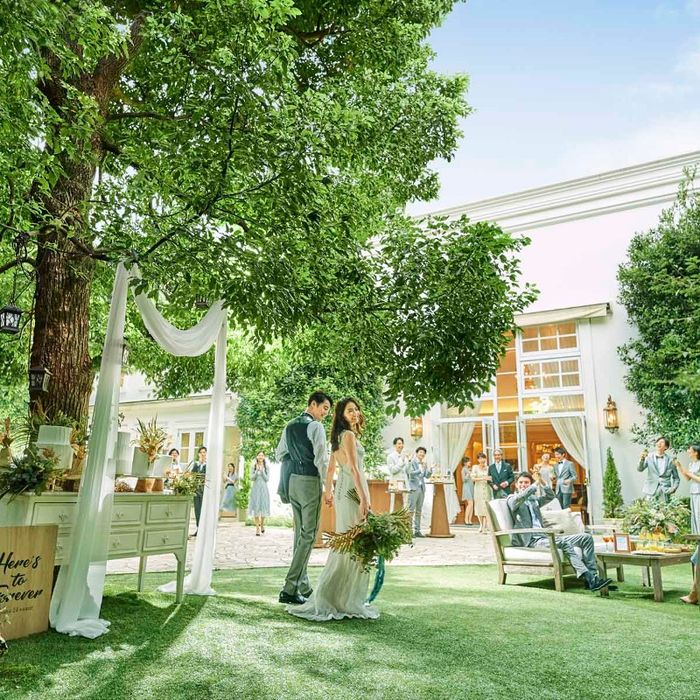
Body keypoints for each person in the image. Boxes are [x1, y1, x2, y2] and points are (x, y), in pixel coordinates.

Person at [288, 397, 379, 621]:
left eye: (356, 410)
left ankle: (339, 596)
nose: (355, 413)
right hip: (352, 491)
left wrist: (328, 492)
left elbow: (331, 470)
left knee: (346, 542)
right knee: (352, 543)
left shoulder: (337, 437)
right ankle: (341, 598)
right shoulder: (348, 436)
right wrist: (364, 499)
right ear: (342, 415)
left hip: (342, 491)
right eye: (350, 411)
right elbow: (354, 469)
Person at [507, 471, 612, 593]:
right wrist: (535, 484)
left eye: (526, 482)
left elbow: (551, 496)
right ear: (516, 485)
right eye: (521, 482)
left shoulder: (534, 500)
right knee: (565, 543)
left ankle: (592, 579)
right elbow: (521, 497)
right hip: (532, 540)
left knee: (586, 537)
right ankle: (589, 578)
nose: (523, 485)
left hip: (545, 537)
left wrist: (542, 482)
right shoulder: (512, 499)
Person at [276, 391, 333, 605]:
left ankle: (304, 585)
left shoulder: (289, 426)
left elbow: (279, 453)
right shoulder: (316, 427)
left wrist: (296, 458)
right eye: (324, 408)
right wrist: (328, 486)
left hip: (293, 482)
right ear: (313, 404)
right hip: (309, 482)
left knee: (299, 535)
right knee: (308, 535)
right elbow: (321, 459)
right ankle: (289, 588)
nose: (325, 413)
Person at [676, 443, 700, 604]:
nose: (688, 451)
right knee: (695, 519)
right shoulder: (692, 464)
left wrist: (689, 473)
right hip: (693, 492)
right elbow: (687, 478)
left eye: (690, 450)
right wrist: (680, 468)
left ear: (696, 452)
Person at [637, 437, 680, 502]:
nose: (659, 443)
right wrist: (642, 459)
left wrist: (673, 488)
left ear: (666, 447)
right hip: (650, 489)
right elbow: (640, 469)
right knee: (649, 508)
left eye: (662, 442)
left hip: (665, 490)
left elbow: (676, 478)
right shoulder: (649, 456)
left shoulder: (671, 460)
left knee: (663, 508)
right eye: (658, 442)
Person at [406, 446, 430, 538]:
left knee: (419, 511)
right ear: (416, 453)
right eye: (420, 452)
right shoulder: (412, 462)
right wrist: (420, 469)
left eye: (423, 453)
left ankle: (417, 530)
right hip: (413, 488)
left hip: (421, 488)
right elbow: (410, 473)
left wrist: (430, 469)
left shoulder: (424, 463)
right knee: (411, 510)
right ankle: (409, 531)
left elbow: (426, 476)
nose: (422, 454)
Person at [249, 451, 271, 536]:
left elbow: (267, 479)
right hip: (255, 489)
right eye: (259, 455)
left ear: (264, 457)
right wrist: (256, 471)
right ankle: (257, 528)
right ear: (257, 457)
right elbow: (252, 478)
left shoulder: (266, 467)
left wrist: (262, 471)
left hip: (264, 489)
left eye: (262, 455)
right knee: (256, 507)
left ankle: (262, 524)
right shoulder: (253, 466)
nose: (260, 457)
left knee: (263, 507)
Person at [471, 452, 492, 533]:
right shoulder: (475, 467)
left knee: (486, 507)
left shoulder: (488, 468)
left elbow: (491, 478)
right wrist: (483, 478)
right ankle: (481, 524)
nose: (482, 460)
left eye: (483, 458)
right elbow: (473, 478)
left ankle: (485, 526)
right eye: (480, 458)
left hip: (487, 488)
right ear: (478, 460)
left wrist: (489, 479)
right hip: (478, 489)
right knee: (479, 507)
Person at [189, 446, 207, 534]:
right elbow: (192, 474)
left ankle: (204, 529)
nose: (203, 454)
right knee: (197, 510)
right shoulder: (196, 464)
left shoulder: (208, 465)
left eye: (204, 452)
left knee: (204, 510)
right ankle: (198, 528)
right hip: (197, 490)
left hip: (205, 490)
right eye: (201, 452)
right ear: (199, 454)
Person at [459, 456, 475, 526]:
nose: (470, 462)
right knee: (470, 504)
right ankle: (466, 519)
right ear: (465, 463)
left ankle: (470, 520)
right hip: (467, 487)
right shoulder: (463, 469)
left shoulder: (469, 469)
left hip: (471, 487)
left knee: (472, 504)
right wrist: (468, 474)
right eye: (468, 461)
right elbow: (463, 480)